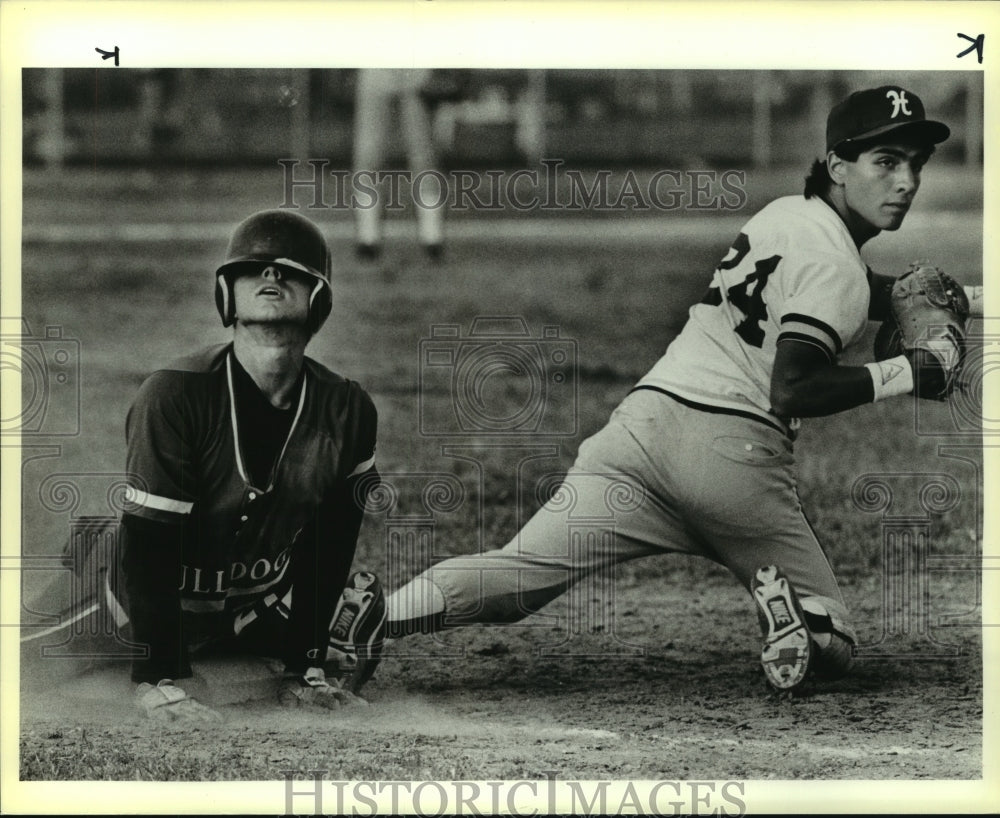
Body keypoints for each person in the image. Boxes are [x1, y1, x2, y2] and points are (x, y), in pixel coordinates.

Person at [385, 85, 983, 692]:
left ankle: (371, 618)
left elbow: (838, 282)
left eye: (914, 163)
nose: (905, 181)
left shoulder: (783, 214)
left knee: (515, 580)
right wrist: (913, 372)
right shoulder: (838, 270)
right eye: (885, 162)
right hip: (733, 465)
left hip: (635, 439)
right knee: (836, 645)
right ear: (837, 166)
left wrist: (962, 299)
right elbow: (793, 389)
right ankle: (794, 616)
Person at [22, 209, 386, 722]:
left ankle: (330, 635)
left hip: (246, 607)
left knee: (314, 636)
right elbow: (149, 547)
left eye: (289, 270)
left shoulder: (348, 409)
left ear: (319, 298)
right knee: (17, 669)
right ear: (226, 294)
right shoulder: (175, 394)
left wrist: (306, 668)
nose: (271, 277)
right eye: (252, 269)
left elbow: (329, 544)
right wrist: (158, 679)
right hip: (121, 595)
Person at [352, 68, 446, 261]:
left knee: (423, 154)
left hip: (414, 64)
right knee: (369, 153)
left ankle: (433, 237)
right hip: (376, 63)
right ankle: (367, 237)